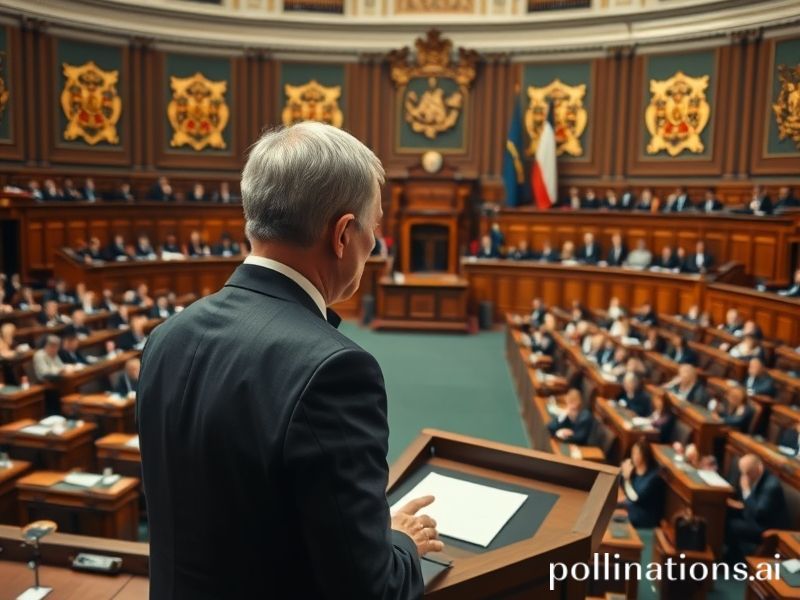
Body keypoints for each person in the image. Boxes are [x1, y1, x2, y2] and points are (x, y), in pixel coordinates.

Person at [137, 122, 438, 599]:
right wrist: (398, 539)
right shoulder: (334, 370)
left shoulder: (167, 337)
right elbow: (369, 590)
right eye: (373, 227)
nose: (373, 246)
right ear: (342, 234)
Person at [725, 454, 789, 562]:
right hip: (754, 516)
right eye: (743, 473)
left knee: (731, 524)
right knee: (725, 513)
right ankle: (729, 556)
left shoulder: (771, 485)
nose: (745, 477)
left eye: (748, 474)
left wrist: (746, 490)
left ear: (759, 468)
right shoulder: (750, 475)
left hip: (765, 527)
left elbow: (759, 513)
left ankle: (735, 560)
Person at [619, 439, 664, 528]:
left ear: (645, 456)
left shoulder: (653, 478)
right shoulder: (635, 469)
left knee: (616, 516)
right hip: (633, 506)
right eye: (633, 453)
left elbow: (636, 498)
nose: (633, 457)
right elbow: (624, 488)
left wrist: (627, 479)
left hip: (645, 515)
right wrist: (623, 475)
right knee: (609, 506)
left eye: (636, 453)